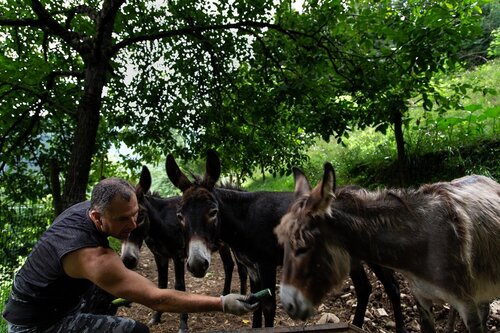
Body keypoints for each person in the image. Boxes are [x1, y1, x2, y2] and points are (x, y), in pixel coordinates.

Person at [2, 178, 258, 333]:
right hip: (37, 324)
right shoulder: (93, 257)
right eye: (123, 219)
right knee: (135, 330)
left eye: (136, 213)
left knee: (104, 297)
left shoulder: (85, 210)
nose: (134, 224)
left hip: (52, 299)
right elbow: (156, 299)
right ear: (96, 217)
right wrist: (221, 303)